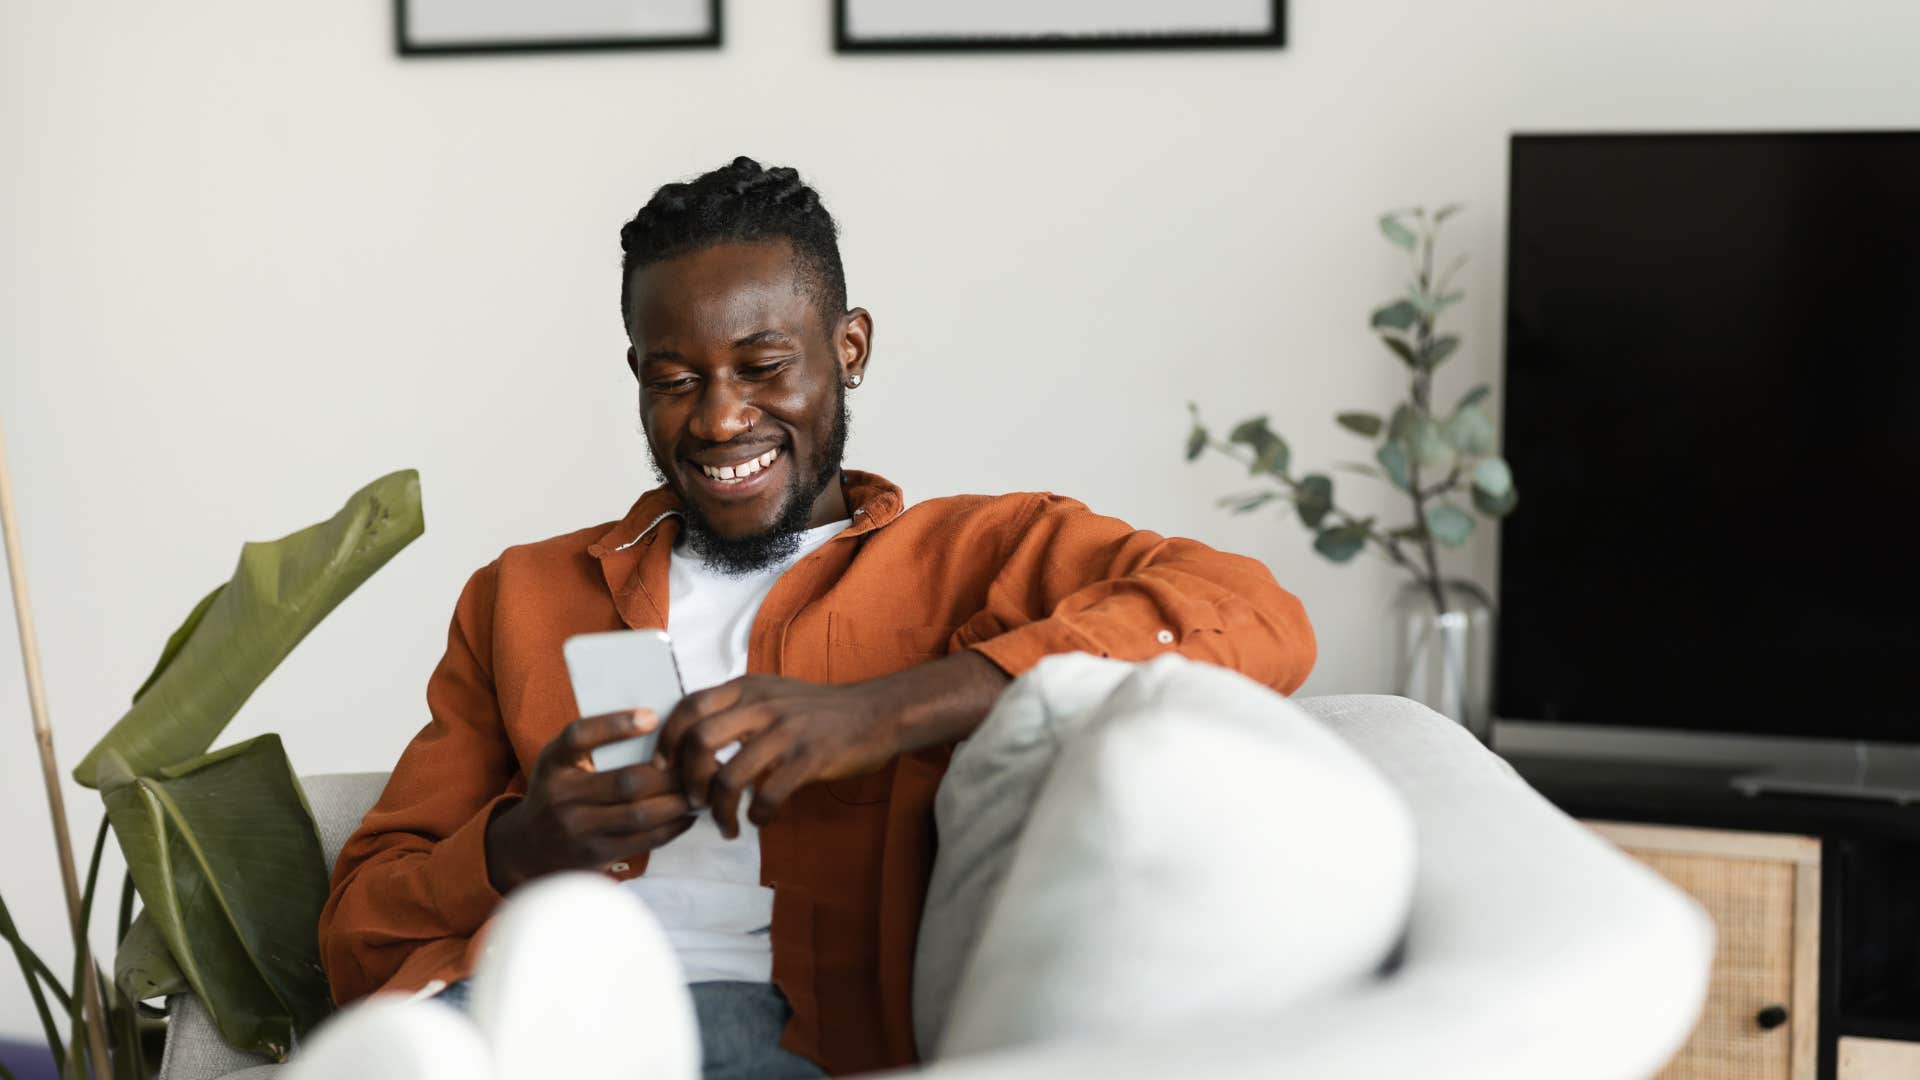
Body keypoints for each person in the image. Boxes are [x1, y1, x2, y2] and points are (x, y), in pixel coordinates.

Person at [318, 157, 1317, 1078]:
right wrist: (521, 843)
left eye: (763, 367)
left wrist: (878, 712)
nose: (719, 418)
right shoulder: (524, 594)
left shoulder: (977, 556)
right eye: (675, 380)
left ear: (849, 348)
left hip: (766, 1029)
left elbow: (1251, 614)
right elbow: (358, 924)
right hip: (514, 1002)